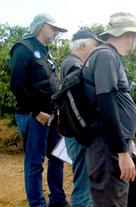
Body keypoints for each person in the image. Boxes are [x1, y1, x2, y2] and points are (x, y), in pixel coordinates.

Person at [81, 12, 136, 206]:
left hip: (111, 145)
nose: (135, 42)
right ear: (129, 35)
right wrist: (121, 153)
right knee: (111, 201)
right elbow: (106, 105)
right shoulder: (106, 56)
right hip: (107, 149)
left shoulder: (106, 56)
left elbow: (114, 105)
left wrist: (127, 142)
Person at [9, 13, 68, 207]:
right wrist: (36, 112)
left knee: (56, 158)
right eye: (54, 29)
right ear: (42, 26)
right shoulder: (23, 48)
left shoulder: (46, 51)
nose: (57, 33)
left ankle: (57, 200)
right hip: (33, 116)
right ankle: (37, 204)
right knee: (34, 164)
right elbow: (17, 85)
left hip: (52, 117)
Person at [60, 28, 103, 207]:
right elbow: (76, 104)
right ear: (83, 44)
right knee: (83, 187)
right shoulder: (74, 65)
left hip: (75, 133)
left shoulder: (70, 63)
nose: (97, 52)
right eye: (95, 46)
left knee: (85, 183)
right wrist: (87, 134)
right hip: (80, 135)